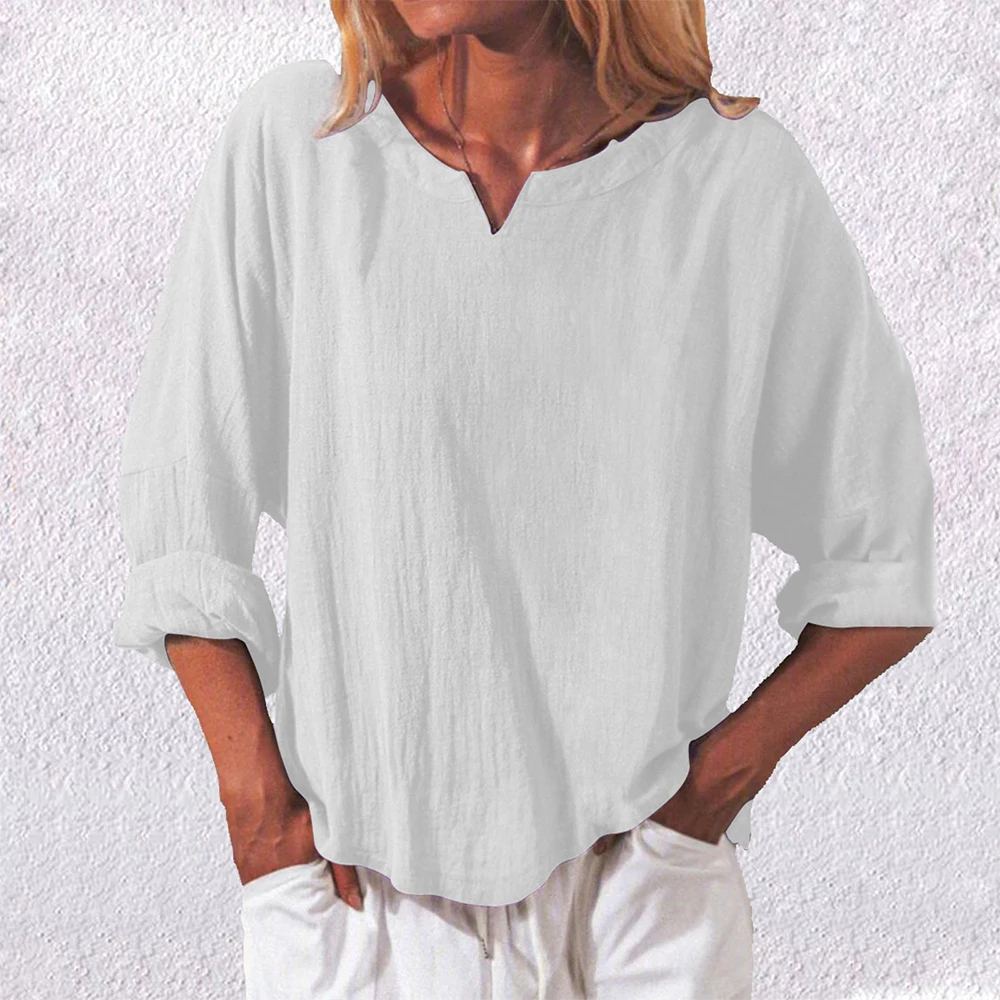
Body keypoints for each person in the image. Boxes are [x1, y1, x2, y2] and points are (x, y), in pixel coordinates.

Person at [111, 1, 939, 998]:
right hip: (357, 908)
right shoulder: (302, 147)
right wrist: (257, 810)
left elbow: (883, 552)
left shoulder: (732, 182)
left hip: (641, 910)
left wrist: (707, 796)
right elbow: (183, 500)